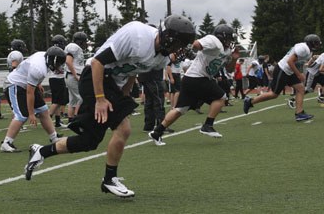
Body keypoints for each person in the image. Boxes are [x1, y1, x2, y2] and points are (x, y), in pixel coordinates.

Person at [24, 15, 196, 198]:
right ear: (169, 38)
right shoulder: (136, 35)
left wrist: (124, 94)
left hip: (111, 83)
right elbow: (98, 62)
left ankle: (41, 151)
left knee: (89, 141)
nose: (179, 50)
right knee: (124, 128)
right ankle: (109, 179)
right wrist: (100, 99)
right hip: (95, 77)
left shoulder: (161, 58)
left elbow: (135, 70)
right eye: (178, 45)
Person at [148, 24, 238, 146]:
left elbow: (230, 69)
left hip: (191, 78)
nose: (230, 41)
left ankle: (157, 132)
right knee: (221, 97)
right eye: (229, 38)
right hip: (198, 78)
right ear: (222, 37)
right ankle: (208, 125)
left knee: (180, 109)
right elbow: (196, 44)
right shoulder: (214, 40)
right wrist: (188, 47)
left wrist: (234, 59)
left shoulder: (226, 50)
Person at [0, 46, 66, 153]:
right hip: (14, 84)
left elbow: (28, 68)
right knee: (22, 115)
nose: (59, 66)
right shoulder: (38, 69)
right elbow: (30, 93)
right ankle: (6, 143)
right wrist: (31, 114)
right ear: (52, 60)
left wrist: (38, 83)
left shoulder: (43, 56)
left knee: (43, 110)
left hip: (25, 83)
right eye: (58, 63)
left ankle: (54, 138)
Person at [243, 34, 321, 121]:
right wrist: (299, 74)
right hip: (282, 70)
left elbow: (296, 62)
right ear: (311, 43)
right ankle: (250, 101)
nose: (317, 45)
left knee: (301, 89)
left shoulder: (306, 49)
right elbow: (290, 61)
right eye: (316, 43)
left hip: (289, 71)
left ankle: (299, 113)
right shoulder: (304, 48)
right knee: (274, 94)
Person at [64, 32, 87, 123]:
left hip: (71, 75)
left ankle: (71, 120)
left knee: (73, 100)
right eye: (84, 41)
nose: (85, 43)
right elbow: (68, 62)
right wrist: (75, 75)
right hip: (73, 75)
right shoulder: (73, 47)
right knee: (82, 97)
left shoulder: (75, 47)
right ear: (80, 41)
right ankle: (78, 118)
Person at [48, 35, 69, 127]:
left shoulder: (52, 52)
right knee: (57, 101)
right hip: (57, 78)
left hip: (54, 78)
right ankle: (48, 119)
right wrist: (57, 69)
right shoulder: (56, 52)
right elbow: (54, 66)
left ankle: (57, 121)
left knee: (57, 101)